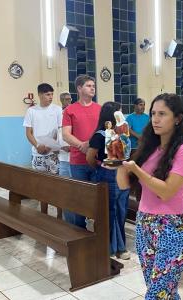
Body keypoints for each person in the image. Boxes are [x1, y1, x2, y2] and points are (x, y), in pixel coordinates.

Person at [116, 93, 183, 299]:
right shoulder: (150, 148)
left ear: (177, 118)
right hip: (144, 225)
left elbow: (167, 191)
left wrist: (138, 170)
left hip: (173, 228)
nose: (155, 119)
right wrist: (118, 160)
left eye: (162, 114)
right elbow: (123, 184)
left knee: (155, 294)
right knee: (164, 291)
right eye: (153, 113)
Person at [86, 102, 130, 260]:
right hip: (107, 175)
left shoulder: (123, 134)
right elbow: (90, 158)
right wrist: (100, 169)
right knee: (110, 212)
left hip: (123, 175)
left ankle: (121, 246)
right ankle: (111, 247)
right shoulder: (100, 135)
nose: (122, 115)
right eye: (119, 112)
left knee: (122, 210)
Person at [62, 75, 101, 227]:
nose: (93, 88)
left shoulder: (100, 108)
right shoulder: (70, 110)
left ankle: (100, 232)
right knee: (80, 198)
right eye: (89, 85)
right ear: (79, 88)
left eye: (93, 86)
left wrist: (91, 146)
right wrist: (82, 146)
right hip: (78, 161)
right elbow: (66, 134)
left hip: (98, 160)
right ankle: (80, 232)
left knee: (98, 198)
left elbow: (104, 131)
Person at [23, 83, 62, 215]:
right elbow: (28, 133)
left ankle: (59, 215)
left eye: (51, 94)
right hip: (38, 154)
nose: (50, 97)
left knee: (57, 186)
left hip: (53, 154)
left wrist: (51, 145)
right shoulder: (32, 111)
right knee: (42, 186)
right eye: (47, 94)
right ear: (40, 95)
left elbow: (59, 131)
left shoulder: (57, 110)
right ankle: (43, 214)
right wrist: (37, 145)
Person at [57, 91, 72, 177]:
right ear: (61, 100)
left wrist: (72, 146)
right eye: (66, 99)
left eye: (70, 99)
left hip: (73, 154)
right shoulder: (58, 114)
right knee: (64, 182)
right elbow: (56, 131)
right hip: (61, 155)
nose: (69, 101)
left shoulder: (74, 113)